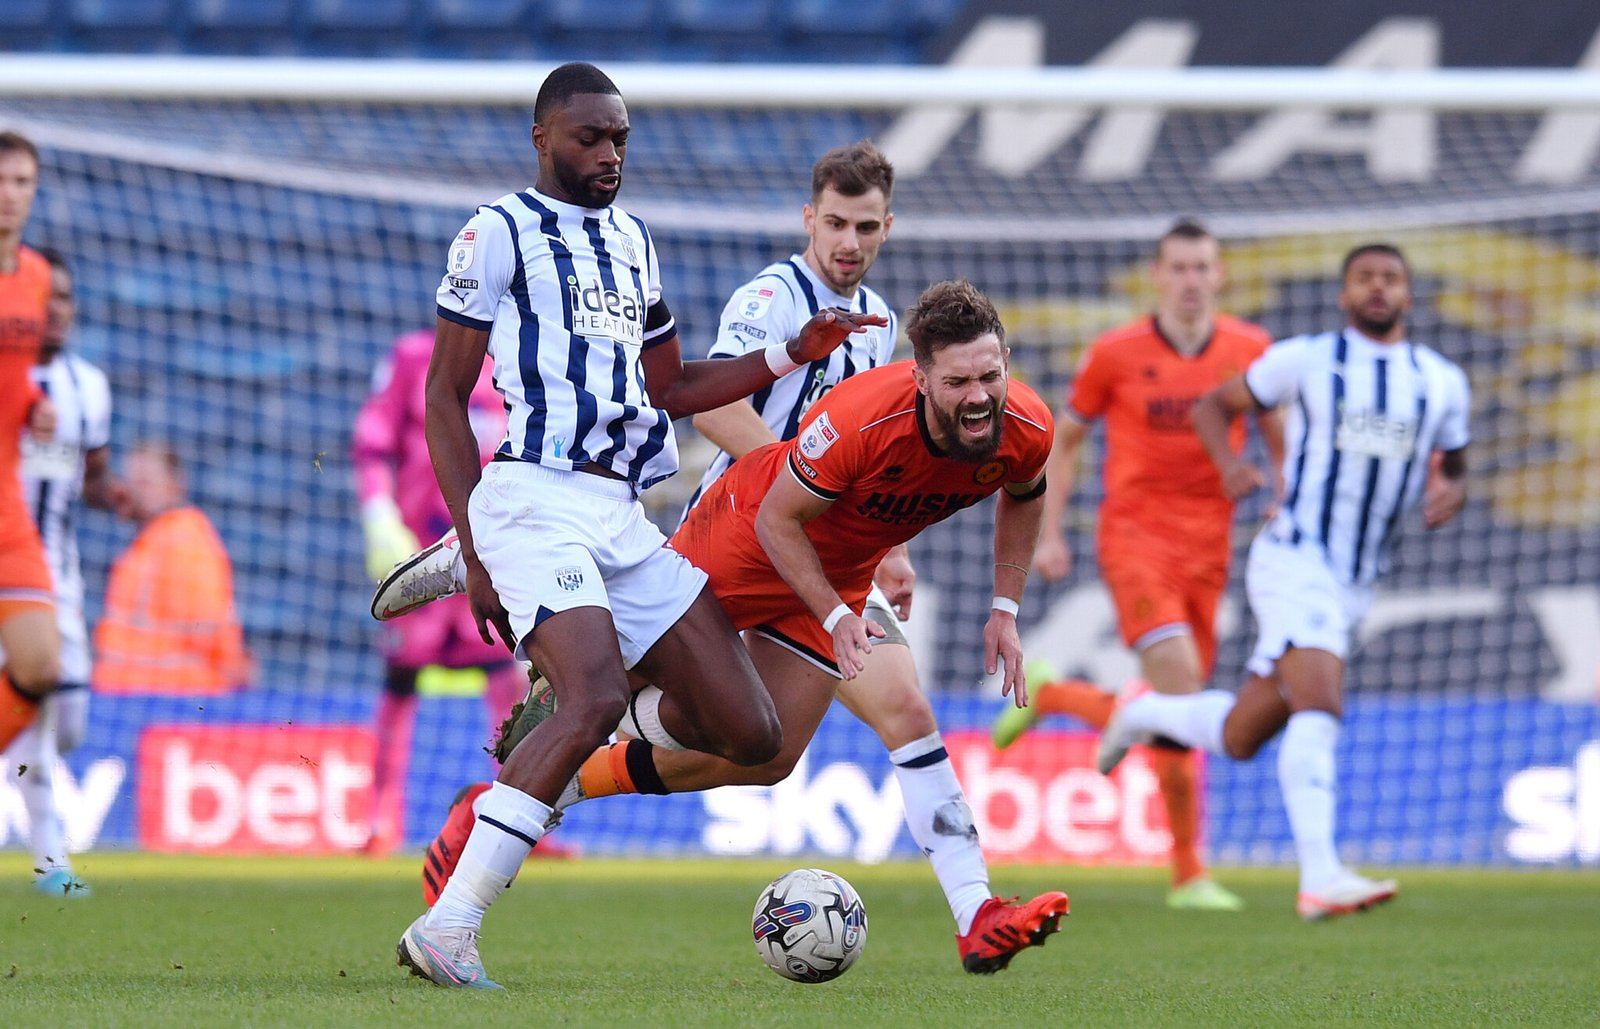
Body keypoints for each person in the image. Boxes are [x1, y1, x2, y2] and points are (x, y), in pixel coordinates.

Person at [418, 144, 1069, 972]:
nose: (850, 240)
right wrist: (806, 478)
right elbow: (712, 411)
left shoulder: (887, 334)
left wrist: (887, 540)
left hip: (835, 558)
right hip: (746, 529)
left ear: (887, 229)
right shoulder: (773, 298)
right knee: (608, 694)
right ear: (810, 217)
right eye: (835, 221)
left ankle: (978, 914)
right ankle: (492, 558)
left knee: (780, 748)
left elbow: (922, 466)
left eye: (866, 226)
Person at [387, 62, 882, 990]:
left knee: (749, 730)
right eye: (590, 137)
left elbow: (672, 389)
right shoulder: (498, 231)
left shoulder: (634, 242)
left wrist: (787, 353)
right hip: (531, 495)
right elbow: (444, 400)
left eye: (620, 136)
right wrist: (481, 534)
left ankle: (547, 697)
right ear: (543, 140)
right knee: (589, 698)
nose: (610, 152)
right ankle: (449, 928)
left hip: (620, 511)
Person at [1096, 243, 1470, 921]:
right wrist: (1230, 467)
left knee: (1242, 733)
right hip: (1294, 559)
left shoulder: (1440, 380)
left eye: (1391, 278)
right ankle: (1320, 874)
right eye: (1365, 278)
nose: (1378, 288)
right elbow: (1214, 405)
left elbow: (1457, 456)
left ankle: (1142, 711)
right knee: (1320, 703)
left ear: (1408, 295)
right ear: (1344, 294)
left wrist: (1450, 488)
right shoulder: (1307, 358)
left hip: (1357, 583)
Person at [992, 219, 1281, 911]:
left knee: (1179, 708)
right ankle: (1188, 872)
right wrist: (1051, 531)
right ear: (1157, 274)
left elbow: (1279, 426)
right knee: (1181, 690)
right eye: (1177, 267)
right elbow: (1063, 442)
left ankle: (1057, 696)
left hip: (1212, 548)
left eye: (1201, 267)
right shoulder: (1115, 353)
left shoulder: (1250, 349)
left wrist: (1285, 494)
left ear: (1219, 276)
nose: (1190, 280)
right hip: (1135, 540)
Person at [353, 327, 534, 855]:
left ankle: (520, 821)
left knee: (510, 678)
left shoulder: (523, 356)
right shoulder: (413, 356)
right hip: (418, 555)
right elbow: (373, 445)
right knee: (400, 680)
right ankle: (375, 824)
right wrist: (378, 512)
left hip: (493, 550)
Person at [3, 249, 118, 895]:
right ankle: (52, 861)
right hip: (8, 565)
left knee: (64, 720)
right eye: (45, 299)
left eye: (65, 299)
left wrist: (117, 495)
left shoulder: (89, 387)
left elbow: (91, 474)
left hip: (58, 576)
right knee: (38, 706)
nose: (55, 310)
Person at [92, 442, 252, 693]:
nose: (132, 490)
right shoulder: (147, 546)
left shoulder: (184, 544)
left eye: (144, 481)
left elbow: (213, 631)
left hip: (172, 703)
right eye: (130, 480)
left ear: (175, 486)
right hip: (128, 701)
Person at [0, 129, 62, 756]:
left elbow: (11, 381)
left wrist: (33, 407)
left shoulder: (37, 277)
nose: (8, 195)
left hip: (7, 506)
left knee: (41, 664)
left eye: (21, 182)